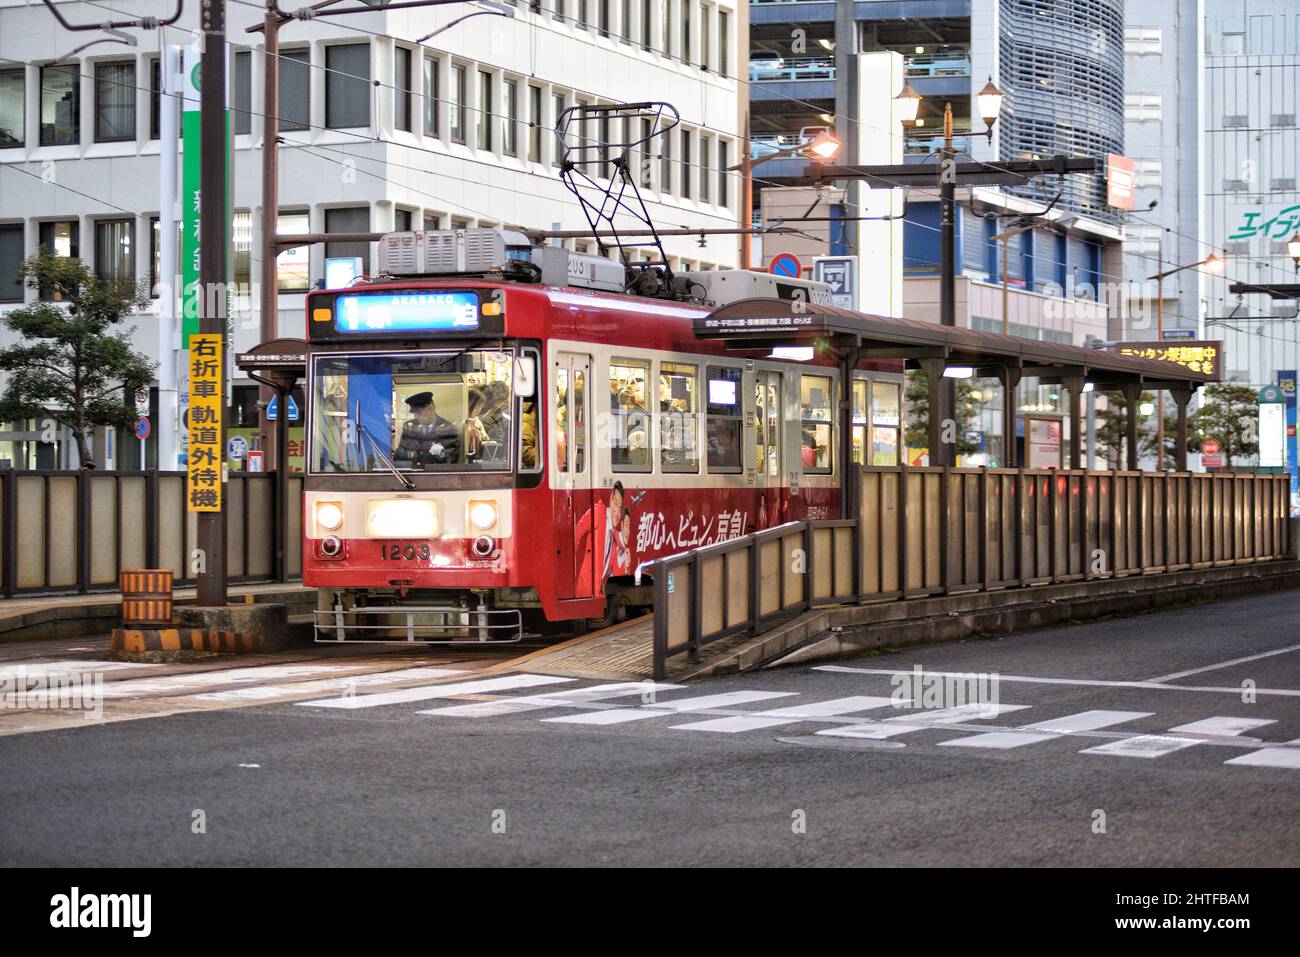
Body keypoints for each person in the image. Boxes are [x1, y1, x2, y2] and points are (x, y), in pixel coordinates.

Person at [394, 392, 460, 465]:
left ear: (430, 409)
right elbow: (401, 452)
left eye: (419, 413)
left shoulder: (448, 428)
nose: (417, 417)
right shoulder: (409, 427)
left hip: (435, 473)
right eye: (415, 414)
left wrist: (441, 454)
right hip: (412, 472)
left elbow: (453, 455)